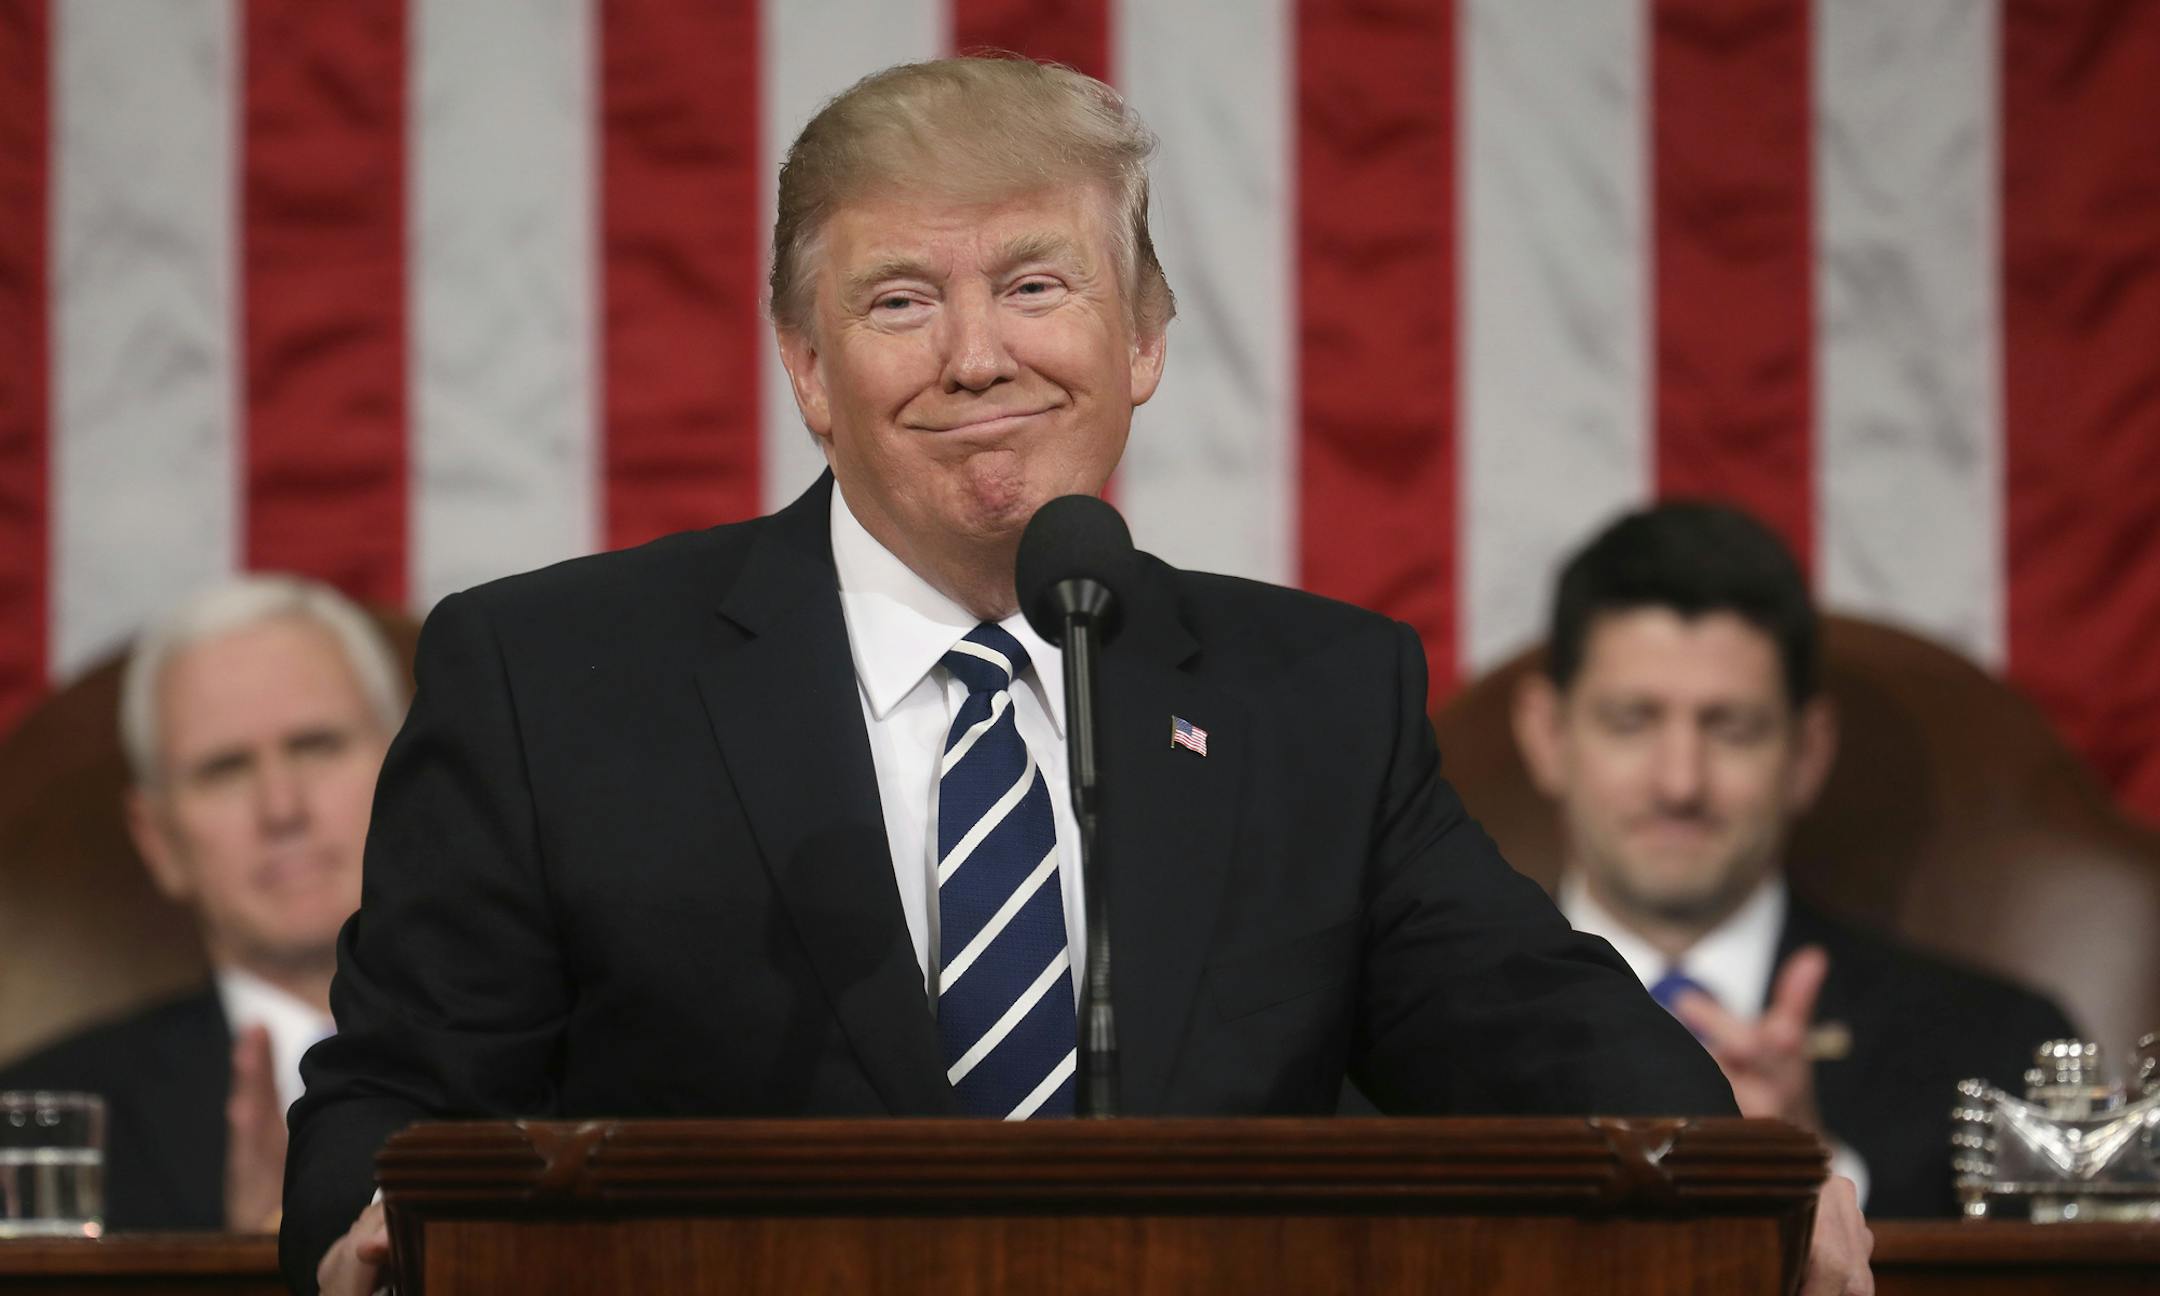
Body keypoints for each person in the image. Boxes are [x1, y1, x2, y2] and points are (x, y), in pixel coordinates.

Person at [285, 58, 1871, 1296]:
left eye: (1037, 287)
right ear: (808, 369)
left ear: (1146, 341)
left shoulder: (1311, 697)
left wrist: (1746, 1175)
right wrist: (365, 1238)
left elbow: (1531, 1026)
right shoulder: (555, 680)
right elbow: (394, 1103)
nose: (978, 356)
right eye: (901, 301)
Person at [1512, 501, 2077, 1218]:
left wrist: (1821, 1175)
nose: (1680, 783)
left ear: (1807, 752)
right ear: (1547, 735)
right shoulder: (1408, 1040)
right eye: (1631, 722)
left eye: (1734, 729)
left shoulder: (1996, 1053)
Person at [0, 575, 405, 1231]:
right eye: (225, 768)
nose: (283, 809)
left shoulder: (573, 1064)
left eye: (316, 745)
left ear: (411, 776)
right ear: (158, 840)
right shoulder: (31, 1134)